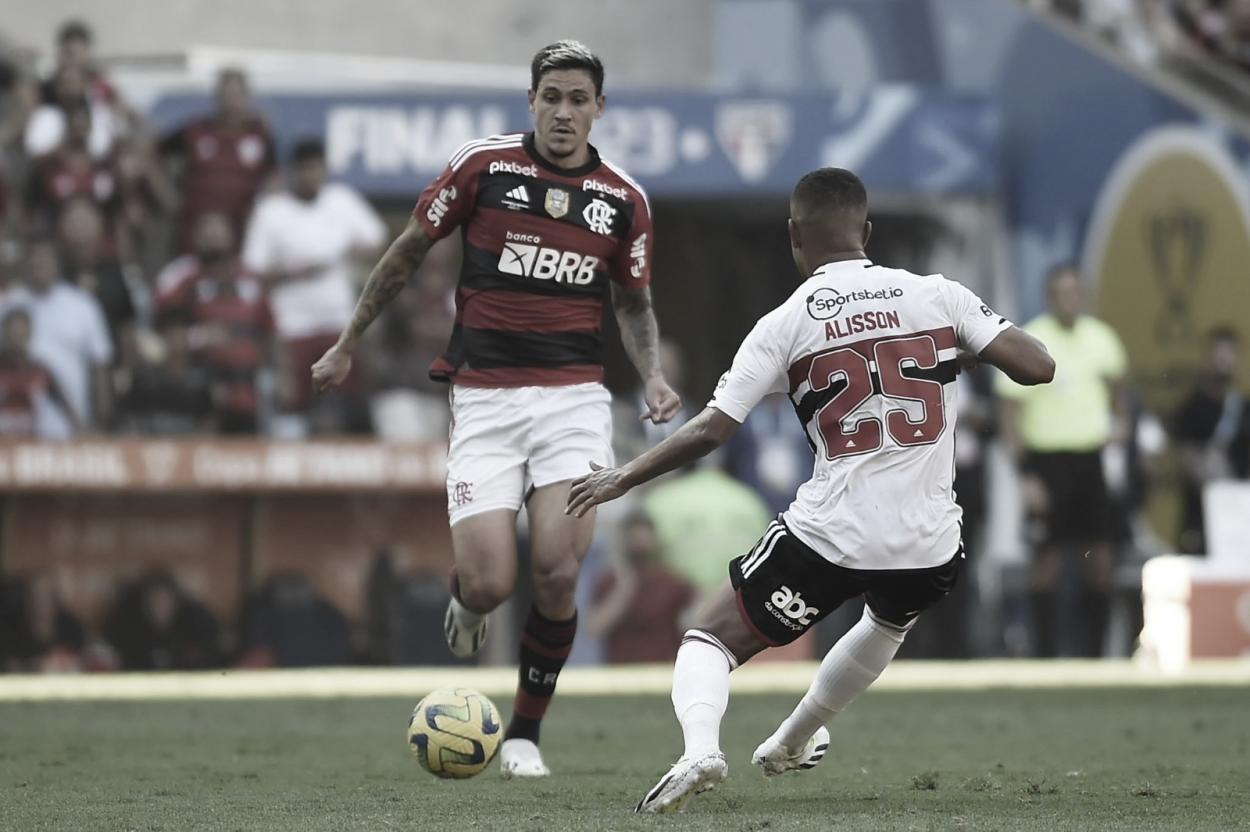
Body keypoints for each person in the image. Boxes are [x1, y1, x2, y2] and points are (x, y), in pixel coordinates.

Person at [566, 168, 1053, 813]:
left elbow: (712, 429)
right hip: (930, 545)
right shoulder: (937, 295)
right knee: (890, 617)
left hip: (833, 533)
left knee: (709, 638)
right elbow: (1038, 367)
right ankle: (791, 739)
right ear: (868, 232)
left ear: (794, 238)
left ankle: (701, 749)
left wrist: (623, 477)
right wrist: (963, 351)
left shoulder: (787, 322)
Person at [311, 40, 680, 778]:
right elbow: (409, 251)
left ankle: (524, 735)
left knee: (553, 571)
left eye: (579, 99)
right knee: (489, 581)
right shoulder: (484, 166)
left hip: (575, 401)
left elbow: (632, 302)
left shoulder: (623, 200)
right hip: (483, 397)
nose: (565, 112)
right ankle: (470, 608)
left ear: (599, 108)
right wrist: (348, 341)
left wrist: (652, 374)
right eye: (552, 97)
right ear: (532, 102)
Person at [996, 265, 1127, 657]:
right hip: (1046, 463)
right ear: (1050, 296)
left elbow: (1120, 390)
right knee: (1047, 560)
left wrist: (1121, 426)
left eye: (1075, 291)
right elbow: (1009, 413)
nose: (1069, 299)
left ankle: (1095, 655)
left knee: (1099, 558)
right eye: (1061, 292)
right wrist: (1025, 475)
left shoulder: (1101, 338)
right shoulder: (1032, 339)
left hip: (1090, 459)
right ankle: (1045, 654)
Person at [243, 138, 385, 433]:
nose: (311, 177)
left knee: (351, 400)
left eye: (316, 169)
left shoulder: (341, 199)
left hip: (339, 322)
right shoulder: (272, 210)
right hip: (292, 325)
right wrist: (300, 271)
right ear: (292, 172)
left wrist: (343, 254)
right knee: (295, 403)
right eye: (304, 170)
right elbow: (253, 271)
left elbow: (379, 241)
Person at [0, 237, 112, 437]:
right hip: (13, 429)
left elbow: (100, 364)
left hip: (70, 427)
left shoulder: (82, 305)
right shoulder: (8, 303)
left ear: (57, 263)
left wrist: (101, 420)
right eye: (34, 260)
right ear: (25, 263)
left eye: (46, 260)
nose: (39, 266)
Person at [160, 68, 276, 253]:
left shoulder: (259, 135)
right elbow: (152, 152)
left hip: (240, 236)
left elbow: (275, 174)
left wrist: (261, 205)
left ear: (247, 98)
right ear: (216, 98)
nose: (231, 102)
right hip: (194, 235)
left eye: (237, 95)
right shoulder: (196, 131)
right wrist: (167, 195)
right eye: (226, 95)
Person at [1173, 326, 1250, 554]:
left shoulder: (1244, 407)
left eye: (1230, 353)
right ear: (1207, 358)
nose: (1224, 360)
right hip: (1202, 510)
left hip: (1241, 511)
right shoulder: (1191, 407)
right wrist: (1216, 485)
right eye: (1218, 353)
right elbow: (1186, 455)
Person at [586, 510, 696, 664]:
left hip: (662, 671)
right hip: (619, 674)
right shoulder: (609, 581)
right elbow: (595, 628)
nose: (639, 544)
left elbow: (694, 622)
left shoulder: (673, 582)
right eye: (634, 539)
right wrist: (624, 590)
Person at [0, 306, 81, 436]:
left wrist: (83, 432)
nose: (17, 341)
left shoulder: (40, 370)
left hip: (30, 444)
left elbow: (68, 407)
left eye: (22, 334)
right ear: (4, 334)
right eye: (13, 334)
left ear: (29, 334)